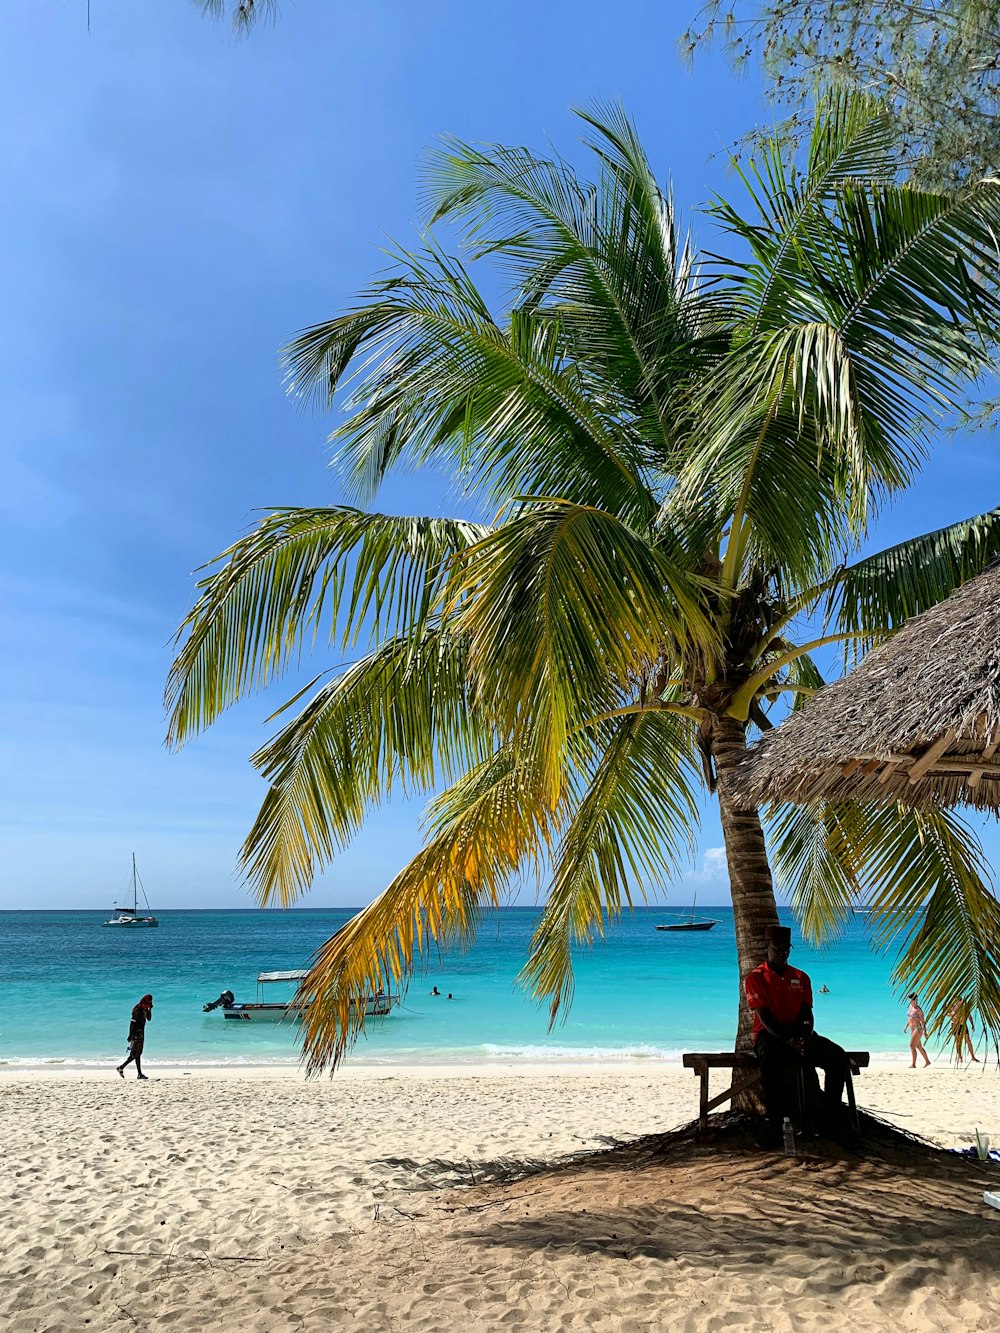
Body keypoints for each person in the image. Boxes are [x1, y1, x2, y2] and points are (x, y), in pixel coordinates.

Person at [744, 925, 851, 1143]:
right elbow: (764, 1017)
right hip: (770, 1035)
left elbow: (806, 1013)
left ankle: (829, 1120)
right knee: (770, 1063)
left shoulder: (801, 977)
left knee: (838, 1057)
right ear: (768, 947)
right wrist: (787, 1040)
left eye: (787, 949)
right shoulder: (755, 978)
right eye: (778, 948)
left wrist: (804, 1035)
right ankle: (775, 1126)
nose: (783, 953)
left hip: (798, 1034)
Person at [116, 994, 153, 1080]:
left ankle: (121, 1067)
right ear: (143, 1003)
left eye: (149, 1004)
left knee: (135, 1054)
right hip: (136, 1034)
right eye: (147, 1004)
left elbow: (149, 1019)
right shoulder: (137, 1010)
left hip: (142, 1033)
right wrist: (130, 1035)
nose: (147, 1005)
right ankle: (139, 1074)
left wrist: (149, 1010)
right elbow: (132, 1023)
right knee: (137, 1054)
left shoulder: (145, 1009)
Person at [905, 992, 931, 1068]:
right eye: (910, 1001)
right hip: (912, 1029)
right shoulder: (910, 1007)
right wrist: (906, 1026)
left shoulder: (919, 1010)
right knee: (919, 1047)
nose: (910, 1002)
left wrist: (925, 1033)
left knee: (912, 1046)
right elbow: (910, 1018)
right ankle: (927, 1061)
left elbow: (923, 1022)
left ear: (915, 1000)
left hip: (918, 1028)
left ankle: (913, 1064)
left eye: (911, 1000)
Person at [949, 999, 980, 1063]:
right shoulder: (953, 1007)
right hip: (955, 1026)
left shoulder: (964, 1007)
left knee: (968, 1041)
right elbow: (947, 1014)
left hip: (963, 1025)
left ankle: (973, 1057)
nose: (961, 1003)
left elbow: (969, 1016)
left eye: (961, 1001)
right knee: (958, 1042)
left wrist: (972, 1025)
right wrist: (953, 1015)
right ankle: (960, 1057)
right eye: (960, 1001)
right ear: (957, 1001)